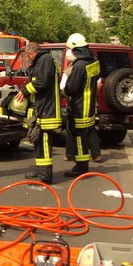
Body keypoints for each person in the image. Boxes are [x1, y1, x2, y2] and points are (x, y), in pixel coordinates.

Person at [15, 42, 61, 183]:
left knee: (44, 143)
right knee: (38, 142)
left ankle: (45, 176)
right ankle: (40, 170)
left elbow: (41, 82)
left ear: (30, 53)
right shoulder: (40, 62)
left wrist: (24, 91)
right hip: (41, 109)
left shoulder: (45, 60)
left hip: (47, 110)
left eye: (27, 57)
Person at [62, 33, 100, 177]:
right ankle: (83, 166)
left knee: (79, 138)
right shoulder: (94, 62)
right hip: (90, 106)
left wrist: (63, 91)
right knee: (85, 135)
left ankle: (81, 168)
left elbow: (71, 88)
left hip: (79, 108)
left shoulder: (79, 66)